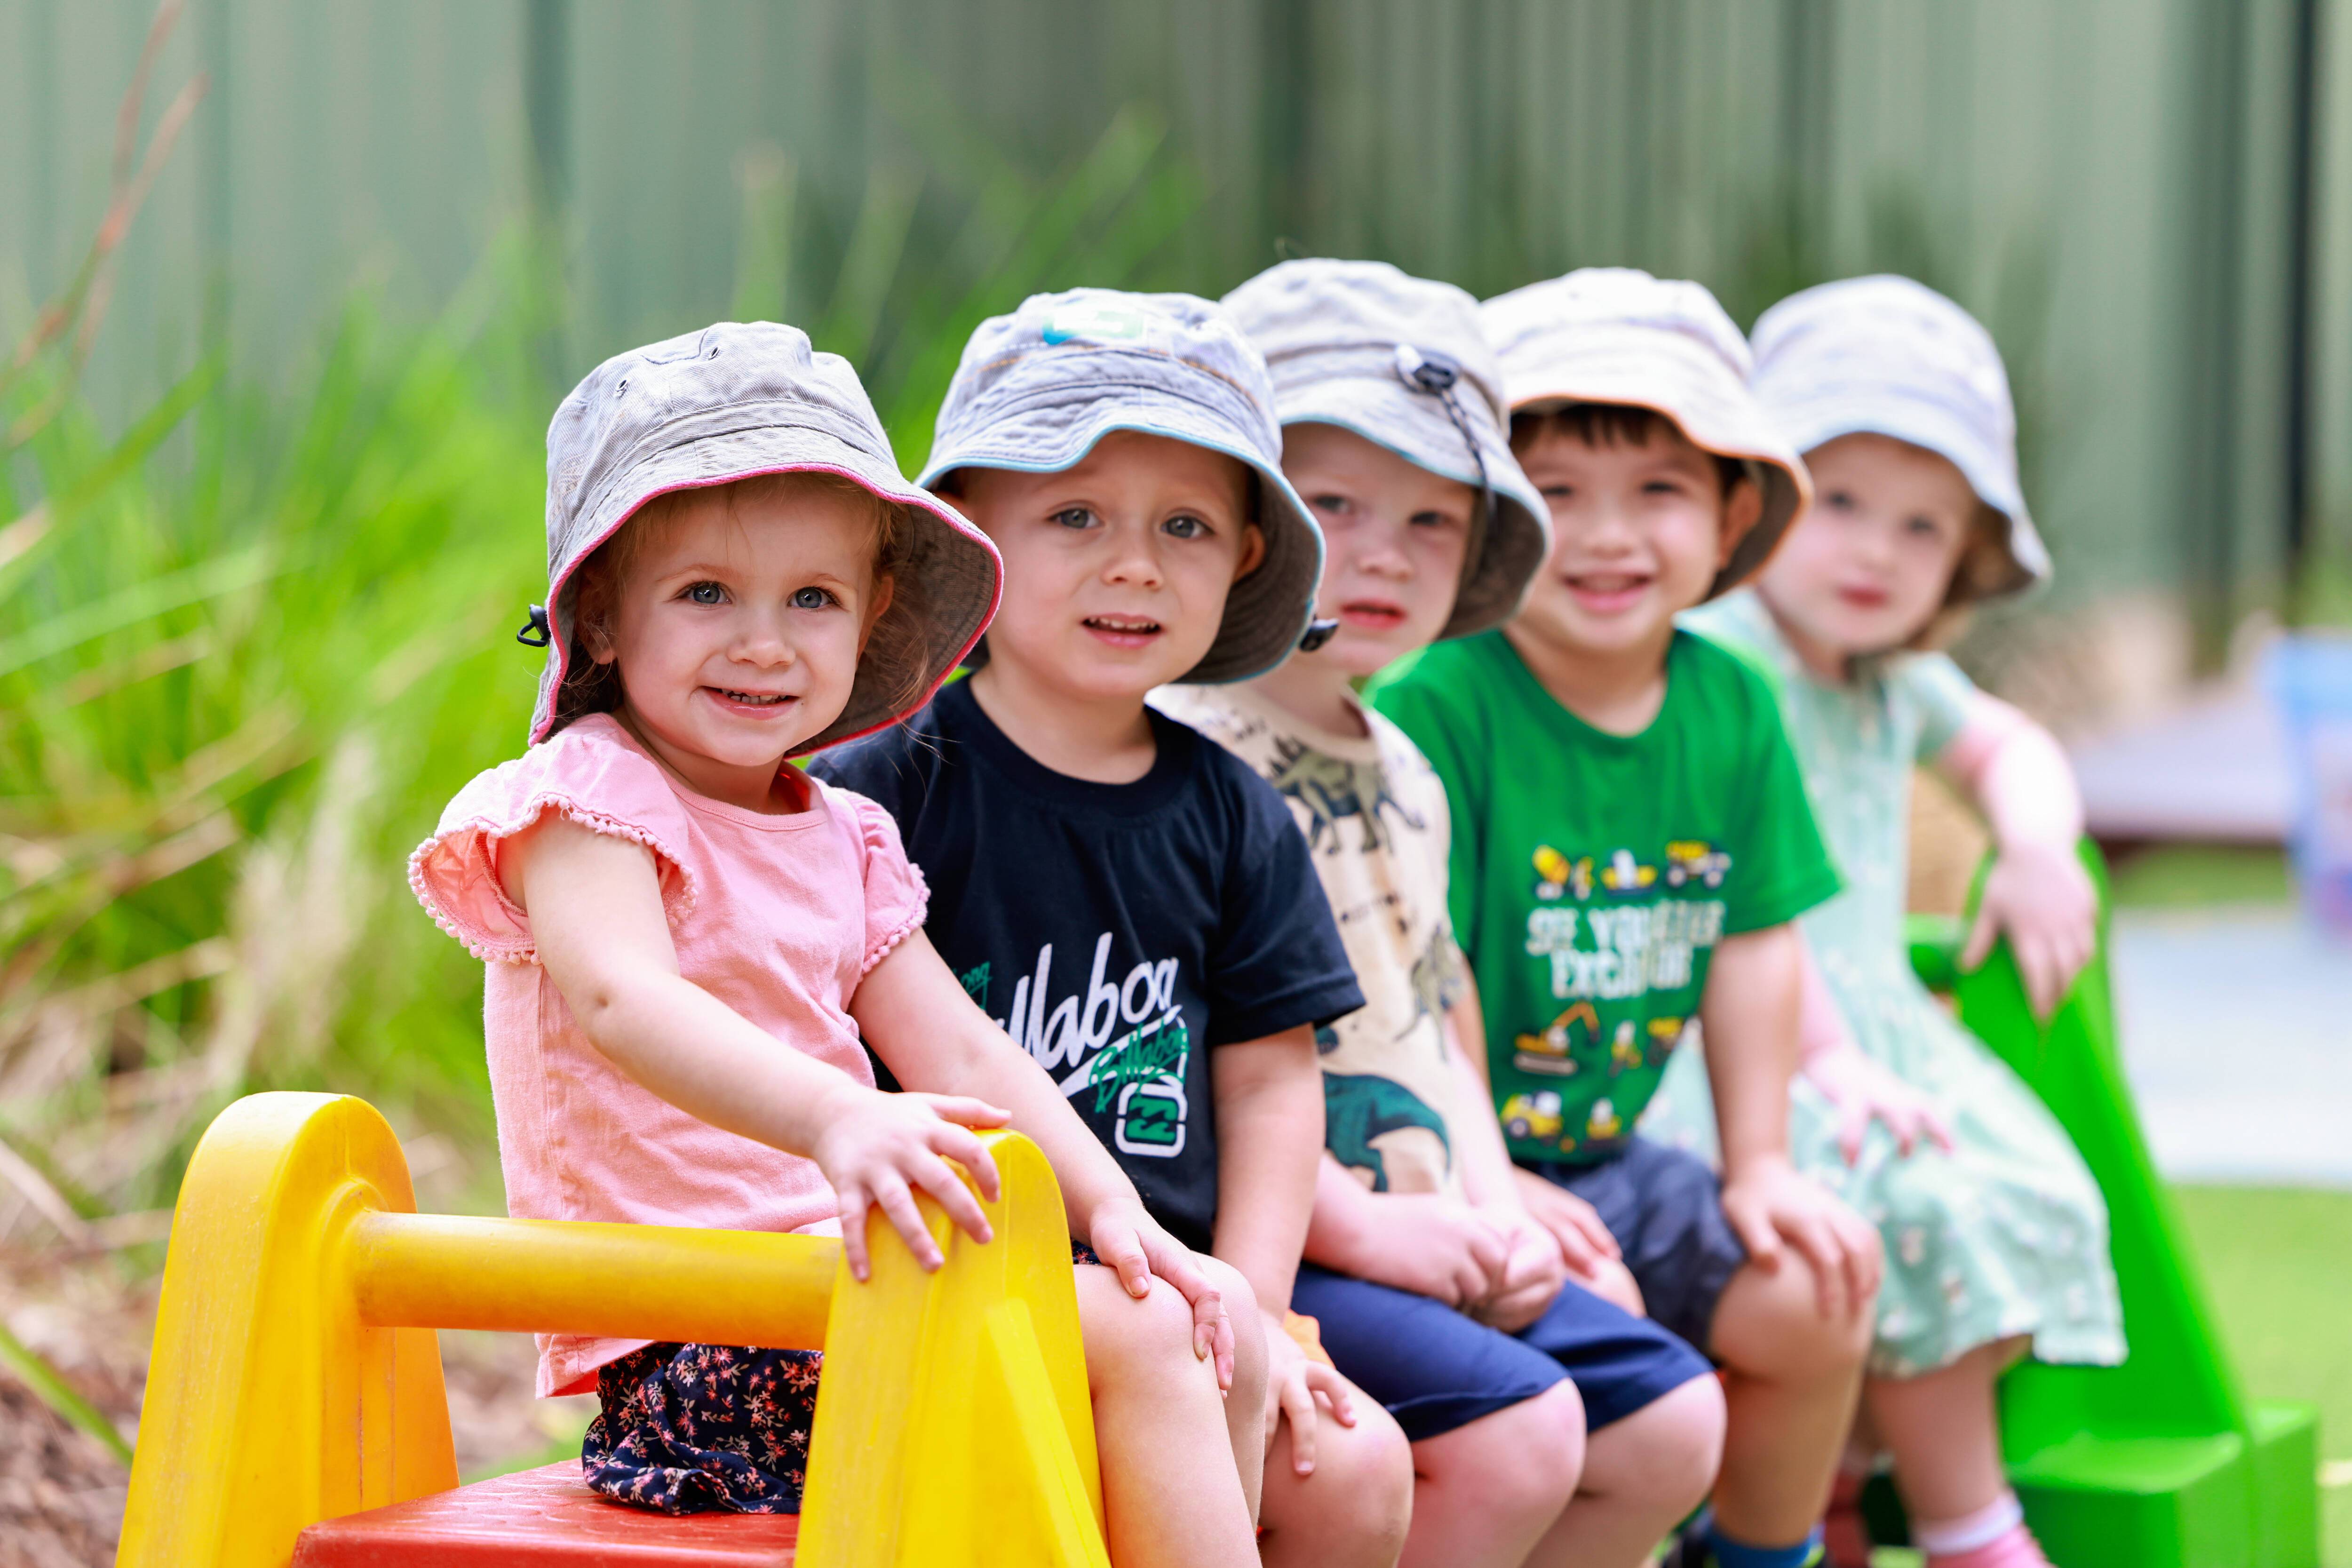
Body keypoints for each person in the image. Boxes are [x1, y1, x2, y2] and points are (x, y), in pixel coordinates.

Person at [406, 323, 1264, 1566]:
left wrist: (1120, 1209)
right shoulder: (584, 800)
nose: (765, 641)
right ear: (595, 620)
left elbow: (964, 1048)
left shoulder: (843, 833)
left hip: (856, 1301)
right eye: (706, 593)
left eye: (812, 599)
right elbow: (619, 1000)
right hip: (701, 1344)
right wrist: (834, 1119)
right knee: (1140, 1343)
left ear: (869, 623)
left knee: (1200, 1313)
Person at [810, 289, 1416, 1568]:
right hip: (932, 1277)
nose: (1133, 564)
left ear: (1247, 557)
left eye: (1185, 526)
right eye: (1074, 516)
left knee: (1358, 1472)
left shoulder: (1236, 816)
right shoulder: (883, 787)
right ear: (970, 531)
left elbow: (1269, 1090)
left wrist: (1260, 1306)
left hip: (1170, 1286)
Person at [1155, 258, 1725, 1568]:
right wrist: (1366, 1230)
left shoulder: (1403, 765)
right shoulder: (1187, 753)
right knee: (1523, 1436)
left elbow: (1432, 1003)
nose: (1380, 556)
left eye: (1431, 521)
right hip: (1279, 1237)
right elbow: (1207, 1066)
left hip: (1423, 1207)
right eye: (1335, 504)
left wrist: (1495, 1194)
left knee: (1673, 1424)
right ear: (1251, 519)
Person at [1368, 267, 1887, 1568]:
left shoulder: (1733, 705)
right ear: (1487, 519)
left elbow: (1754, 946)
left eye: (1658, 490)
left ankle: (1761, 1558)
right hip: (1441, 1165)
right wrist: (1502, 1188)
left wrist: (1762, 1164)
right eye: (1556, 494)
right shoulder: (1442, 700)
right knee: (1633, 1372)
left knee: (1818, 1289)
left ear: (1733, 513)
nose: (1605, 537)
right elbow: (1429, 975)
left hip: (1611, 1155)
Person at [1643, 275, 2124, 1568]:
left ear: (1962, 558)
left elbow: (2011, 743)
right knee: (1912, 1209)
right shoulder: (1712, 653)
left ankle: (1842, 1479)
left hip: (1883, 1047)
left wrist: (2034, 844)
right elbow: (1728, 890)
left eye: (1923, 529)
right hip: (1743, 1053)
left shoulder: (1897, 680)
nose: (1874, 551)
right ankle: (1970, 1524)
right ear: (1753, 506)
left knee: (2024, 1194)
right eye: (1840, 502)